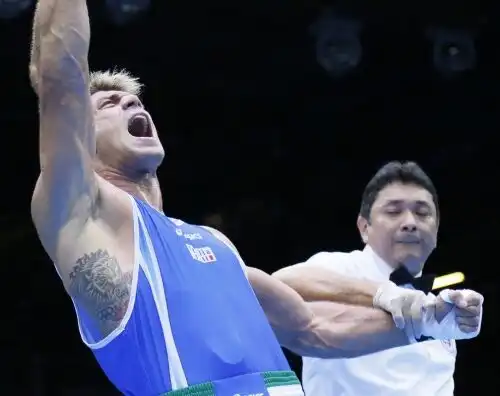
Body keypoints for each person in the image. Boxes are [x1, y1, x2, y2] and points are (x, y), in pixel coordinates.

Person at [29, 1, 480, 394]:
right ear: (79, 139)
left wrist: (428, 323)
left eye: (133, 102)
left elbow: (313, 328)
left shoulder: (213, 245)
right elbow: (58, 75)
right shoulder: (81, 216)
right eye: (109, 105)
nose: (131, 105)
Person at [274, 161, 484, 396]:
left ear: (436, 230)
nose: (410, 223)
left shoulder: (437, 308)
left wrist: (464, 315)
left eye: (422, 213)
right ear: (364, 227)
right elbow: (278, 284)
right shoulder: (338, 268)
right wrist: (381, 293)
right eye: (394, 211)